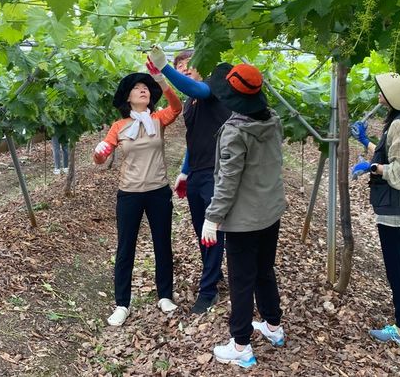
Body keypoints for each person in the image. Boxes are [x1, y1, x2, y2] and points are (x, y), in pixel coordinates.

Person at [200, 63, 286, 368]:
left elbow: (227, 180)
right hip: (270, 211)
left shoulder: (236, 131)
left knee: (241, 279)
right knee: (264, 269)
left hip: (245, 220)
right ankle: (273, 327)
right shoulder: (272, 121)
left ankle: (240, 345)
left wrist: (212, 218)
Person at [93, 61, 183, 327]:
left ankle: (165, 295)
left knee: (162, 243)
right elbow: (102, 156)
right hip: (129, 193)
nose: (143, 90)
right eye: (137, 88)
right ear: (128, 97)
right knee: (125, 248)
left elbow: (176, 108)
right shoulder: (118, 127)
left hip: (158, 191)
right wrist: (98, 153)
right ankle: (122, 303)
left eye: (146, 88)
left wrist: (162, 80)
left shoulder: (158, 119)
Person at [147, 46, 231, 314]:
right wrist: (184, 171)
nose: (184, 68)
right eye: (179, 65)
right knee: (201, 230)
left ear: (201, 67)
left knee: (213, 231)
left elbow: (197, 89)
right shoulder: (190, 103)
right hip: (197, 172)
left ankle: (208, 292)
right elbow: (192, 140)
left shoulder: (210, 89)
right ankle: (214, 274)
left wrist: (166, 69)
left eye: (188, 65)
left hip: (216, 173)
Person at [350, 72, 400, 351]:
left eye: (383, 92)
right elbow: (393, 154)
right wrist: (367, 143)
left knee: (398, 272)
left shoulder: (399, 126)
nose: (379, 95)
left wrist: (370, 168)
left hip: (397, 209)